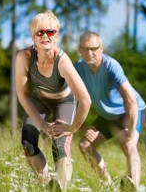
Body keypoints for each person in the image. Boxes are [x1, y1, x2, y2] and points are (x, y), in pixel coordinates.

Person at [52, 31, 146, 190]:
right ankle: (108, 185)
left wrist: (130, 131)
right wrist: (81, 127)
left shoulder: (111, 66)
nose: (90, 53)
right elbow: (69, 101)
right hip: (107, 115)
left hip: (130, 111)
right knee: (85, 145)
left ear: (101, 48)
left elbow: (129, 100)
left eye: (94, 48)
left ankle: (132, 184)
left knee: (129, 144)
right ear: (79, 50)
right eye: (85, 49)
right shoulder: (77, 69)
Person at [15, 11, 91, 190]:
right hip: (39, 99)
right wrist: (42, 124)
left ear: (56, 35)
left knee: (60, 147)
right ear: (33, 36)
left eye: (50, 32)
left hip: (63, 102)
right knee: (27, 143)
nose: (45, 36)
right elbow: (22, 94)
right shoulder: (24, 57)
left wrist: (72, 128)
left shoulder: (62, 62)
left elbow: (85, 100)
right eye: (39, 32)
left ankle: (61, 187)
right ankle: (47, 184)